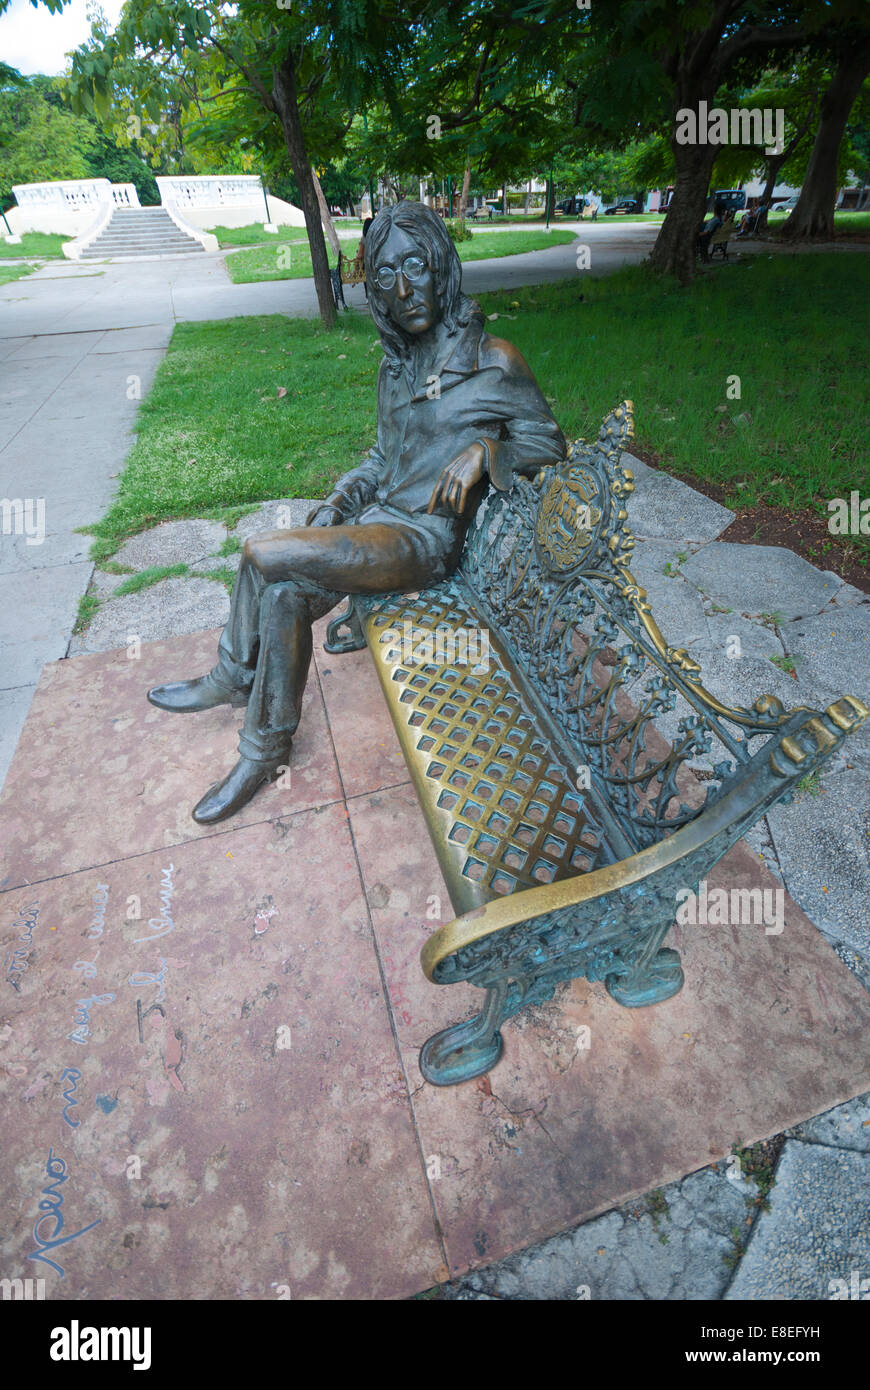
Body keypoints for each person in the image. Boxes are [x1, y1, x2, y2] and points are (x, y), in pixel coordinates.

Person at [147, 200, 567, 824]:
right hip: (371, 523)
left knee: (264, 554)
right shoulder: (396, 368)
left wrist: (487, 449)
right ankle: (265, 750)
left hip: (420, 544)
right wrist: (340, 500)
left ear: (443, 267)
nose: (404, 289)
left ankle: (234, 674)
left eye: (417, 266)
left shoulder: (493, 360)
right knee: (285, 595)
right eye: (387, 276)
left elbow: (551, 443)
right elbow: (380, 456)